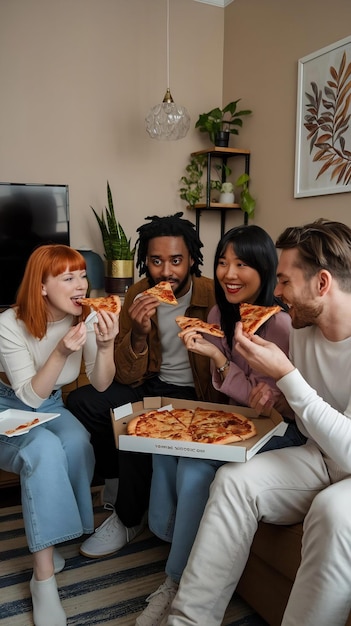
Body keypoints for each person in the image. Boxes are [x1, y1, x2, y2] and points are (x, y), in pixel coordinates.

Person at [166, 218, 351, 626]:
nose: (278, 294)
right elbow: (303, 412)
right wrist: (277, 396)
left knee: (333, 512)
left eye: (284, 282)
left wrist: (286, 378)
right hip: (318, 455)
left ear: (322, 283)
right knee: (233, 480)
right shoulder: (303, 331)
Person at [136, 224, 306, 626]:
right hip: (236, 422)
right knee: (166, 445)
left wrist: (219, 360)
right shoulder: (218, 314)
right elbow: (230, 401)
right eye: (223, 262)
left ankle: (174, 582)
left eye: (242, 263)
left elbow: (268, 406)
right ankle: (175, 541)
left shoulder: (278, 325)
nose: (229, 273)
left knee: (194, 465)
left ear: (265, 269)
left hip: (279, 429)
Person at [66, 212, 223, 559]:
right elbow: (124, 375)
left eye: (176, 260)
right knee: (83, 402)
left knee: (139, 426)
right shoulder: (137, 293)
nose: (166, 271)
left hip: (197, 394)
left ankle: (127, 518)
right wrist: (138, 334)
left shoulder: (214, 294)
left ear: (192, 259)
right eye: (156, 261)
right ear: (145, 262)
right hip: (150, 383)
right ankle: (119, 482)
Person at [0, 244, 120, 626]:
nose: (81, 285)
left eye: (83, 275)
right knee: (46, 450)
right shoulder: (8, 324)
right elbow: (28, 396)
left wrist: (105, 345)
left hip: (50, 404)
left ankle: (53, 538)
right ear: (41, 287)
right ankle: (43, 578)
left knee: (77, 442)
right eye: (68, 278)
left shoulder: (83, 319)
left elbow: (100, 385)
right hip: (8, 408)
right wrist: (58, 353)